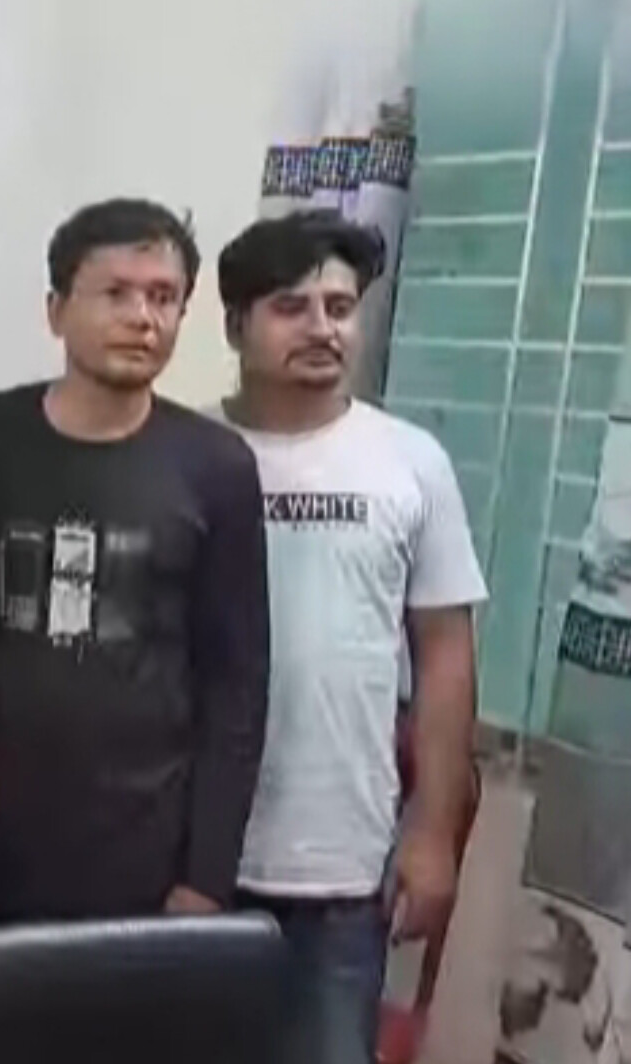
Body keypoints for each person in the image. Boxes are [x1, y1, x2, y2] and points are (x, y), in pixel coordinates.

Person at [0, 198, 270, 925]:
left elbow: (236, 684)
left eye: (163, 297)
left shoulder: (214, 466)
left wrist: (206, 876)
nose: (142, 318)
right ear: (56, 311)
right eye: (115, 293)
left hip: (147, 858)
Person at [216, 212, 484, 1064]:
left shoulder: (410, 461)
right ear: (235, 326)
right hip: (193, 861)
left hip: (343, 868)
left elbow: (445, 654)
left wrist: (432, 832)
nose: (323, 328)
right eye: (291, 307)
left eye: (339, 307)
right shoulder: (189, 452)